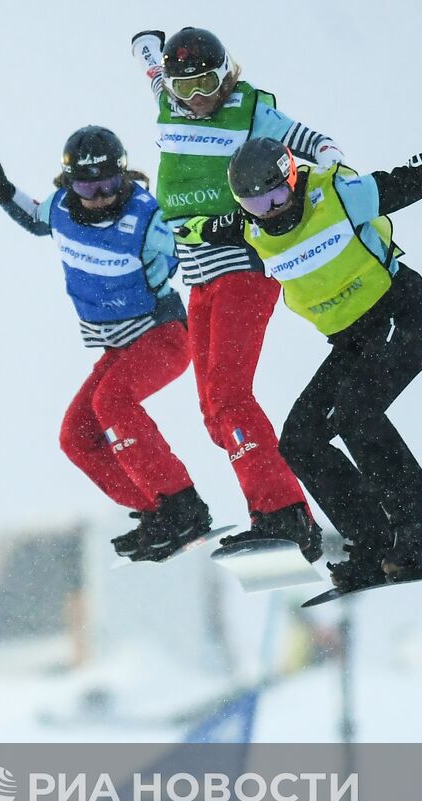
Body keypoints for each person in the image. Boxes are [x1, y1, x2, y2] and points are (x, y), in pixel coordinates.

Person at [178, 108, 422, 590]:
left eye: (277, 193)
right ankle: (373, 545)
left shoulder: (339, 195)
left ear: (292, 174)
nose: (272, 209)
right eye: (257, 204)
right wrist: (178, 233)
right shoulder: (250, 226)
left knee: (356, 412)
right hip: (352, 342)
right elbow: (207, 227)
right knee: (301, 440)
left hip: (401, 317)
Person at [127, 27, 347, 560]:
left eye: (208, 83)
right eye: (187, 88)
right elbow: (153, 71)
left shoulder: (252, 112)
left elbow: (317, 145)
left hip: (243, 268)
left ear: (227, 74)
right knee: (212, 411)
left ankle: (285, 514)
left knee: (229, 395)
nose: (199, 98)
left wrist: (333, 176)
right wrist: (145, 46)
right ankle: (274, 510)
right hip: (199, 275)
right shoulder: (171, 101)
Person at [0, 126, 212, 562]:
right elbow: (35, 218)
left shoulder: (147, 218)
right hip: (119, 348)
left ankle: (182, 505)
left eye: (108, 185)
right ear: (69, 184)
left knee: (112, 403)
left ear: (123, 177)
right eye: (86, 185)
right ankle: (156, 509)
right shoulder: (61, 208)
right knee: (76, 436)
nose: (98, 196)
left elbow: (194, 244)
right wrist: (0, 189)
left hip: (163, 336)